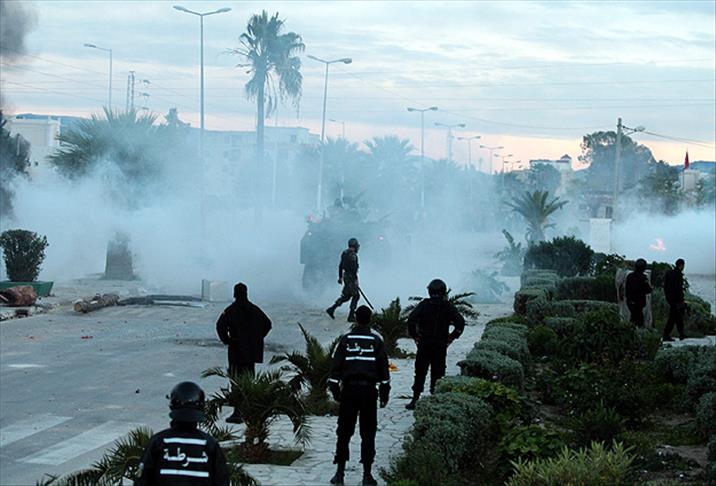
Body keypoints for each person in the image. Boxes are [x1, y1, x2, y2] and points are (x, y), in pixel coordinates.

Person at [328, 305, 390, 486]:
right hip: (369, 392)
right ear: (370, 319)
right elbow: (383, 370)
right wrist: (384, 394)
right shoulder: (376, 341)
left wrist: (336, 391)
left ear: (355, 318)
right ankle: (367, 476)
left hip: (349, 391)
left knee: (344, 432)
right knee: (368, 433)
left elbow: (336, 368)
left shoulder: (346, 340)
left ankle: (339, 474)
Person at [134, 382, 229, 486]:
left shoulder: (158, 442)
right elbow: (222, 481)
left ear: (172, 406)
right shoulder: (210, 445)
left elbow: (142, 481)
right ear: (201, 408)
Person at [405, 278, 465, 411]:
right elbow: (460, 322)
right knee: (438, 372)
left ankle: (415, 399)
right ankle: (435, 397)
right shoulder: (448, 306)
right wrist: (452, 337)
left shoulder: (424, 305)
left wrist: (415, 336)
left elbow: (411, 319)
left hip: (424, 343)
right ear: (444, 292)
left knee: (420, 372)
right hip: (440, 344)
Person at [216, 282, 272, 422]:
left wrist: (227, 340)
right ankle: (248, 409)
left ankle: (238, 412)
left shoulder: (231, 310)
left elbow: (220, 326)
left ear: (235, 294)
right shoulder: (254, 309)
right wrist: (257, 338)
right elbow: (267, 324)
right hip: (251, 352)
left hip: (236, 350)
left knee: (236, 381)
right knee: (249, 380)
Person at [326, 238, 361, 322]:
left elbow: (341, 265)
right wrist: (355, 281)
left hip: (346, 276)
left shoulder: (345, 253)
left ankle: (332, 309)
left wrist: (340, 277)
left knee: (347, 296)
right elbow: (354, 269)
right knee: (356, 296)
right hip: (351, 278)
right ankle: (351, 316)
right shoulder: (353, 256)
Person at [663, 258, 687, 341]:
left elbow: (665, 286)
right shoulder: (678, 274)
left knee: (677, 317)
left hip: (670, 298)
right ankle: (666, 335)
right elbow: (678, 289)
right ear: (681, 265)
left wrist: (668, 297)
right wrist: (681, 300)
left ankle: (681, 334)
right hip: (676, 299)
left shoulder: (669, 273)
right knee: (673, 318)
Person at [625, 258, 652, 327]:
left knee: (633, 318)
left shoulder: (629, 276)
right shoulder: (643, 277)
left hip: (630, 301)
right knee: (639, 320)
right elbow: (648, 290)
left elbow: (627, 289)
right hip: (639, 302)